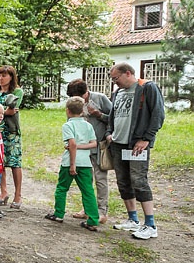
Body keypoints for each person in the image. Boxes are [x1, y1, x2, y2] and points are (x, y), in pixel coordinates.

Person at [106, 62, 165, 240]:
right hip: (118, 144)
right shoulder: (117, 93)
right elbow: (112, 115)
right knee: (123, 181)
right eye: (113, 79)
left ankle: (150, 224)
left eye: (116, 78)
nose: (115, 82)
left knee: (139, 180)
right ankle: (133, 219)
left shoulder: (147, 87)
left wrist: (146, 138)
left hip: (137, 145)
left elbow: (158, 115)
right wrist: (110, 133)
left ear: (128, 73)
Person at [44, 96, 100, 231]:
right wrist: (81, 147)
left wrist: (72, 164)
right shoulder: (88, 125)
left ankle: (59, 214)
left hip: (70, 162)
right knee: (88, 191)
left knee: (62, 188)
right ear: (82, 111)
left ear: (67, 111)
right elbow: (94, 143)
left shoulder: (68, 125)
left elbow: (72, 144)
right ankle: (93, 219)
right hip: (86, 162)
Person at [66, 79, 113, 225]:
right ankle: (87, 209)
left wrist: (99, 115)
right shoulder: (73, 103)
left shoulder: (100, 98)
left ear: (86, 92)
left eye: (81, 97)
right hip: (81, 148)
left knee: (100, 179)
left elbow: (114, 119)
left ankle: (101, 211)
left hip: (99, 146)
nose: (78, 100)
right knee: (86, 180)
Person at [0, 65, 24, 209]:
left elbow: (11, 111)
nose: (1, 79)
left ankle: (18, 195)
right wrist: (4, 111)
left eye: (4, 76)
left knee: (15, 163)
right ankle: (3, 192)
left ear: (11, 77)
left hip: (12, 132)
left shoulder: (17, 92)